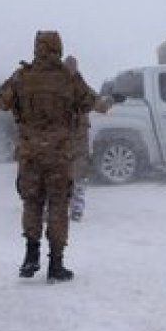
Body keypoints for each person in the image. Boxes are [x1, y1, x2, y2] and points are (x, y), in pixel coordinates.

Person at [0, 31, 110, 283]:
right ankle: (56, 264)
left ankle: (31, 255)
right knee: (58, 206)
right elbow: (93, 103)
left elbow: (1, 102)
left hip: (30, 155)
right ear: (58, 48)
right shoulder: (68, 78)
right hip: (59, 155)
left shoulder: (22, 76)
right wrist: (108, 102)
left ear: (37, 48)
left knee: (32, 203)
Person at [65, 55, 93, 222]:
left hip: (76, 140)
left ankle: (75, 209)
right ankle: (74, 209)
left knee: (77, 177)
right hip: (67, 140)